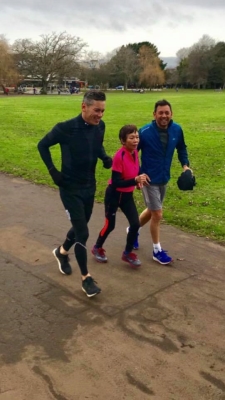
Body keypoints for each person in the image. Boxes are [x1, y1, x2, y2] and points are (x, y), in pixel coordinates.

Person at [37, 90, 112, 297]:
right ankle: (86, 279)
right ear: (83, 107)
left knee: (81, 226)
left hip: (90, 186)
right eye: (96, 110)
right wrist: (53, 172)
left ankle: (61, 253)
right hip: (70, 188)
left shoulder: (100, 127)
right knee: (83, 233)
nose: (100, 115)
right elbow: (42, 145)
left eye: (103, 111)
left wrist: (105, 158)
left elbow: (97, 146)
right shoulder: (65, 128)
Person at [129, 99, 191, 265]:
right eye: (160, 113)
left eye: (167, 113)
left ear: (171, 114)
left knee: (151, 209)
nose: (164, 116)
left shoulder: (177, 130)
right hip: (149, 179)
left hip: (164, 177)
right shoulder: (145, 132)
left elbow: (182, 147)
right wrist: (138, 175)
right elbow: (133, 154)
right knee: (157, 214)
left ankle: (132, 231)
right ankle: (157, 250)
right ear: (154, 114)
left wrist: (185, 165)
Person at [92, 125, 150, 267]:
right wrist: (134, 180)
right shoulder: (119, 156)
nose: (136, 140)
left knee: (135, 224)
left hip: (127, 195)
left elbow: (134, 172)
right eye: (131, 138)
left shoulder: (135, 153)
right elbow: (117, 182)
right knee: (110, 225)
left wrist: (138, 181)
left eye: (137, 137)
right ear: (123, 141)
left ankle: (127, 253)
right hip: (114, 195)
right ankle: (97, 248)